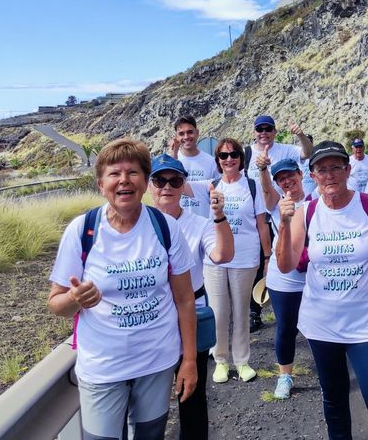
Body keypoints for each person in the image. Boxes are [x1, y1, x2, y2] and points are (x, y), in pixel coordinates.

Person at [47, 138, 197, 440]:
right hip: (103, 367)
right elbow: (56, 304)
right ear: (101, 184)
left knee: (150, 436)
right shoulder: (82, 230)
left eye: (133, 173)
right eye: (114, 173)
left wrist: (190, 361)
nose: (124, 180)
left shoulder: (165, 227)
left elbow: (184, 299)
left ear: (145, 183)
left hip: (156, 361)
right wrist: (75, 298)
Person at [275, 140, 368, 440]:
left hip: (367, 325)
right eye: (321, 170)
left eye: (336, 167)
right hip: (322, 325)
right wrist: (284, 226)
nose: (329, 175)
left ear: (348, 169)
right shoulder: (305, 213)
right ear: (312, 176)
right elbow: (285, 265)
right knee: (334, 398)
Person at [149, 154, 234, 440]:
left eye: (175, 180)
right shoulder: (138, 224)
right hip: (153, 318)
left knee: (192, 397)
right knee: (151, 401)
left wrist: (220, 216)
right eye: (160, 180)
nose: (167, 187)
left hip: (191, 316)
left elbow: (222, 255)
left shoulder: (200, 224)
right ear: (150, 185)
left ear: (184, 185)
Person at [199, 138, 270, 384]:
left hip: (245, 258)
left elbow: (262, 224)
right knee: (218, 312)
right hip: (215, 260)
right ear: (217, 160)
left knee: (241, 311)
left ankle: (241, 361)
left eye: (233, 155)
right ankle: (220, 360)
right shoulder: (210, 186)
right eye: (223, 156)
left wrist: (267, 257)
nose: (228, 159)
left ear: (241, 158)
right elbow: (177, 188)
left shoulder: (252, 186)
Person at [244, 116, 314, 331]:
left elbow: (308, 153)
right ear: (254, 132)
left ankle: (306, 307)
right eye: (260, 129)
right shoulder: (247, 153)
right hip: (258, 209)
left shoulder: (287, 150)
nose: (263, 132)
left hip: (284, 205)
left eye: (268, 129)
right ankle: (256, 308)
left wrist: (300, 134)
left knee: (296, 247)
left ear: (275, 131)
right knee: (264, 256)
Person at [254, 157, 308, 399]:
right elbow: (266, 188)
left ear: (300, 174)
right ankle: (285, 375)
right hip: (283, 277)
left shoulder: (315, 199)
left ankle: (331, 368)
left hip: (313, 275)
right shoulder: (275, 204)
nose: (287, 181)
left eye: (290, 176)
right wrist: (263, 169)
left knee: (321, 325)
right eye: (281, 179)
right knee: (286, 327)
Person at [168, 115, 220, 218]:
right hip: (178, 224)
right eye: (181, 134)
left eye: (190, 132)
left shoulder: (211, 162)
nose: (186, 137)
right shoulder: (171, 161)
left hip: (204, 225)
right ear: (176, 137)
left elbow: (219, 194)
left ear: (197, 133)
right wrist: (173, 155)